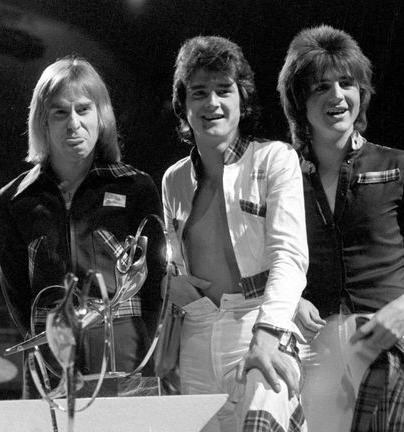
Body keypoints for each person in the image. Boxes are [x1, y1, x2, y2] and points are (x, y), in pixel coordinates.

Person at [278, 25, 404, 431]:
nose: (337, 96)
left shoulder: (400, 165)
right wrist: (291, 300)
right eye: (320, 87)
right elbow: (268, 261)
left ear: (361, 93)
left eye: (347, 84)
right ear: (299, 101)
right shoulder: (281, 175)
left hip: (389, 345)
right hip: (311, 352)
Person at [0, 56, 165, 397]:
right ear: (42, 122)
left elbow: (155, 289)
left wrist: (133, 353)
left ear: (101, 116)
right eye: (60, 112)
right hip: (50, 368)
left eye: (83, 109)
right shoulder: (13, 200)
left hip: (126, 363)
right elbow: (17, 297)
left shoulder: (137, 188)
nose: (73, 123)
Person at [162, 36, 308, 431]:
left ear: (242, 99)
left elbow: (290, 257)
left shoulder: (274, 159)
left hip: (259, 323)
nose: (212, 103)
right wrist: (171, 287)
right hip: (196, 334)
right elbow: (175, 262)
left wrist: (268, 332)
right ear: (184, 105)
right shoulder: (173, 180)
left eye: (223, 90)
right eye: (199, 92)